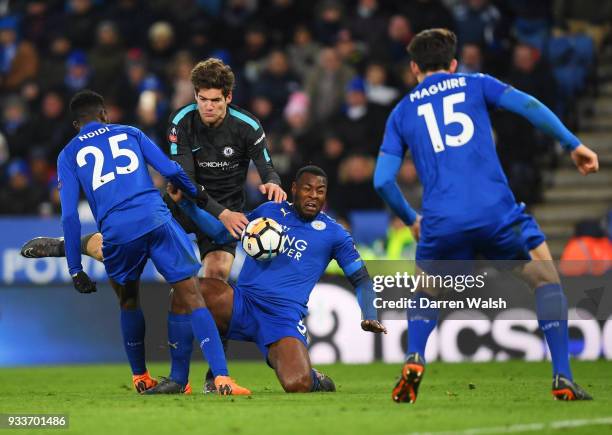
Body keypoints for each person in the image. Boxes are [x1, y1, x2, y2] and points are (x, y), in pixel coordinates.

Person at [21, 58, 285, 390]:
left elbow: (267, 167)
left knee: (209, 281)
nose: (207, 106)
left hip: (210, 211)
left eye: (215, 100)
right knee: (187, 290)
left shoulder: (248, 125)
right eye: (202, 98)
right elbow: (180, 177)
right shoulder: (170, 123)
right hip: (181, 204)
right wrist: (212, 210)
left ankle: (196, 376)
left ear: (229, 98)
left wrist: (272, 182)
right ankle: (209, 376)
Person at [373, 29, 599, 403]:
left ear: (414, 67)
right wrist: (572, 144)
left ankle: (414, 357)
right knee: (545, 280)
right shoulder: (476, 83)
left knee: (426, 290)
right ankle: (562, 376)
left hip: (441, 220)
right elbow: (529, 106)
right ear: (454, 63)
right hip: (495, 212)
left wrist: (411, 218)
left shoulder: (402, 112)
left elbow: (382, 181)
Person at [57, 89, 250, 396]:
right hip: (156, 218)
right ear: (105, 114)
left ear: (75, 125)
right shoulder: (130, 131)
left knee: (129, 300)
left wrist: (74, 268)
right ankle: (222, 379)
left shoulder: (67, 154)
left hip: (118, 232)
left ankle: (141, 377)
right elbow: (171, 170)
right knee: (192, 296)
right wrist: (199, 195)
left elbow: (69, 217)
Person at [145, 165, 387, 394]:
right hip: (242, 303)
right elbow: (222, 232)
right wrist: (187, 206)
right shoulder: (270, 211)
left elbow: (362, 279)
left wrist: (370, 314)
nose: (313, 195)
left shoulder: (335, 234)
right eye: (307, 189)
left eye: (320, 191)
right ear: (294, 189)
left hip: (282, 318)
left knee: (298, 384)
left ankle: (315, 378)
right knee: (184, 291)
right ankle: (178, 379)